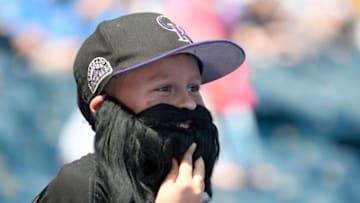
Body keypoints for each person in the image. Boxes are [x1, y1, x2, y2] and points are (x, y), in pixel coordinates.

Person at [33, 12, 245, 203]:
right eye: (164, 88)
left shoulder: (186, 185)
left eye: (193, 87)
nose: (189, 103)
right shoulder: (81, 186)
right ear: (104, 107)